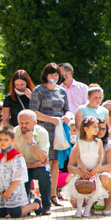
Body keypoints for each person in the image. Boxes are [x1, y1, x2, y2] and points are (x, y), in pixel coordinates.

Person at [30, 62, 72, 207]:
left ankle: (53, 195)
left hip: (59, 131)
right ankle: (43, 196)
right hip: (44, 130)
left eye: (56, 74)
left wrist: (67, 116)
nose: (53, 77)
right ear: (45, 75)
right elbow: (33, 112)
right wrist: (50, 119)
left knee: (56, 162)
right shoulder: (38, 90)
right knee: (44, 162)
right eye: (51, 74)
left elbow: (67, 109)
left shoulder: (61, 91)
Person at [0, 125, 43, 218]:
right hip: (0, 191)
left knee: (15, 214)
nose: (2, 142)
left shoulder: (16, 156)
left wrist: (10, 191)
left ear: (12, 140)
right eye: (0, 139)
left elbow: (18, 176)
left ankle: (35, 204)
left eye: (6, 140)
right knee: (0, 214)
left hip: (13, 190)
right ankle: (7, 207)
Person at [62, 117, 108, 218]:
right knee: (80, 189)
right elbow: (78, 157)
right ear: (86, 129)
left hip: (93, 171)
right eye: (94, 127)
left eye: (97, 127)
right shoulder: (80, 142)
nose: (97, 129)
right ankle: (79, 210)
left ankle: (87, 209)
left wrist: (97, 167)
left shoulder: (98, 142)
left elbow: (100, 156)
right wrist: (82, 169)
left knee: (94, 189)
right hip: (83, 171)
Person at [12, 111, 51, 215]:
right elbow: (13, 161)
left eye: (27, 123)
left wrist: (31, 142)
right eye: (21, 123)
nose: (23, 126)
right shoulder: (14, 133)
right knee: (20, 177)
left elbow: (43, 159)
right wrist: (34, 164)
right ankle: (27, 206)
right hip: (22, 167)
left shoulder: (42, 133)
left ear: (35, 123)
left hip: (38, 166)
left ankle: (46, 206)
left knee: (44, 174)